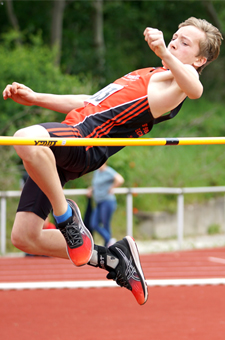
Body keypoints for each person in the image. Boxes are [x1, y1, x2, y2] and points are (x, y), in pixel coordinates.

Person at [2, 17, 222, 306]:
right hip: (68, 142)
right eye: (176, 36)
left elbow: (196, 89)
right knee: (25, 237)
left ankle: (66, 217)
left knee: (25, 138)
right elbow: (91, 101)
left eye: (185, 43)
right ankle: (115, 260)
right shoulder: (150, 73)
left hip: (85, 142)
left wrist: (165, 54)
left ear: (199, 59)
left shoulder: (175, 87)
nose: (174, 42)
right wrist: (36, 98)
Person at [87, 162, 124, 247]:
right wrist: (92, 189)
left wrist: (112, 187)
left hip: (107, 201)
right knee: (94, 223)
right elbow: (98, 185)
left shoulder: (108, 171)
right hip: (99, 202)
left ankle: (108, 244)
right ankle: (109, 240)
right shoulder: (96, 172)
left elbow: (120, 179)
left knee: (105, 223)